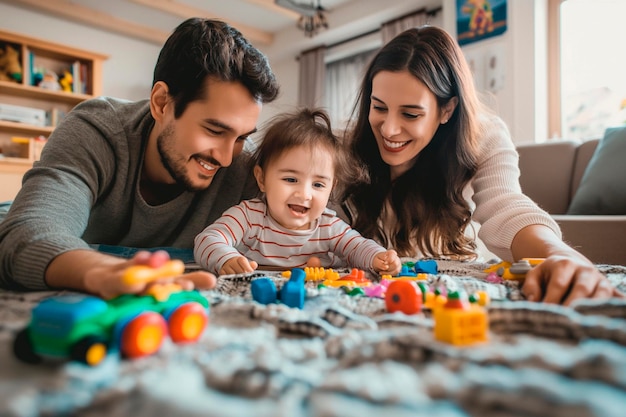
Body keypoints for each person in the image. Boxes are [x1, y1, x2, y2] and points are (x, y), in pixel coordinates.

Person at [339, 25, 622, 306]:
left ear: (447, 109)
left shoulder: (484, 135)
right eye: (379, 107)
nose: (388, 129)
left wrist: (560, 256)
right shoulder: (343, 146)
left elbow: (505, 206)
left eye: (411, 114)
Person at [0, 18, 280, 299]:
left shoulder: (245, 164)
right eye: (214, 130)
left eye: (242, 137)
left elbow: (319, 217)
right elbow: (27, 234)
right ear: (161, 103)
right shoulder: (97, 130)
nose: (226, 158)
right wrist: (102, 272)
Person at [194, 108, 402, 276]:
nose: (304, 194)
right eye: (291, 179)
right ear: (262, 179)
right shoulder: (249, 216)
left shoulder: (328, 225)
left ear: (332, 187)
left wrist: (379, 258)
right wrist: (226, 258)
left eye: (318, 185)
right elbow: (208, 239)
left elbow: (357, 247)